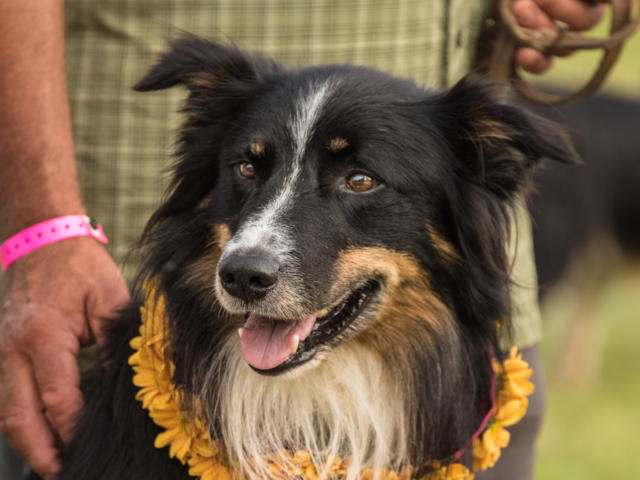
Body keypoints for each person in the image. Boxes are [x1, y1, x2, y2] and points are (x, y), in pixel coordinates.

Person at [0, 1, 604, 479]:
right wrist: (41, 230)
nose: (250, 251)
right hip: (105, 301)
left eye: (359, 180)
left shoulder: (457, 153)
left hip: (466, 382)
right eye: (247, 170)